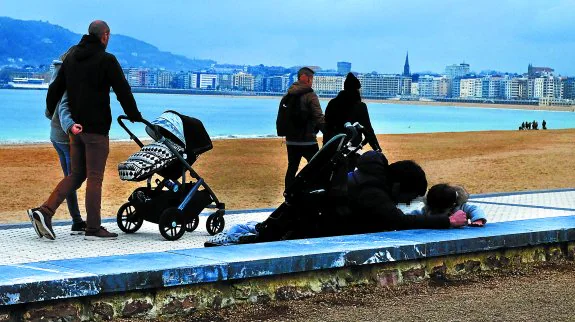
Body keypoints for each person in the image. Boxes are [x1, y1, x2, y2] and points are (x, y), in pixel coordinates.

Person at [27, 20, 142, 241]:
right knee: (95, 178)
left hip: (75, 131)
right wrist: (134, 115)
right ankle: (93, 228)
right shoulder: (107, 60)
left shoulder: (71, 58)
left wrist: (51, 111)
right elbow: (122, 91)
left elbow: (56, 88)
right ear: (105, 36)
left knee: (76, 175)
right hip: (96, 131)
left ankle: (45, 211)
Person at [343, 151, 468, 234]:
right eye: (409, 198)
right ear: (397, 187)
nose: (408, 203)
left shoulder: (368, 178)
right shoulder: (372, 191)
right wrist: (448, 221)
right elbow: (400, 221)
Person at [36, 50, 87, 236]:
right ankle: (44, 211)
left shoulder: (56, 78)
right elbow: (65, 108)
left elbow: (48, 111)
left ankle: (76, 221)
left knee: (70, 177)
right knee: (75, 177)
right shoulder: (69, 79)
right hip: (66, 137)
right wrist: (71, 127)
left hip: (55, 135)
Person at [281, 67, 325, 189]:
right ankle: (313, 191)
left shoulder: (288, 94)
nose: (312, 82)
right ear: (306, 78)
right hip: (308, 139)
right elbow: (319, 118)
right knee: (317, 166)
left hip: (291, 139)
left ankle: (288, 194)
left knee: (292, 168)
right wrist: (328, 131)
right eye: (311, 79)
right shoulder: (311, 95)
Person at [323, 72, 381, 153]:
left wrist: (325, 146)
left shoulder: (332, 103)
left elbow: (327, 127)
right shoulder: (360, 106)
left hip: (333, 146)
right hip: (352, 147)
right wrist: (377, 149)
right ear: (356, 90)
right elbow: (368, 129)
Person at [408, 183, 486, 227]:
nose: (438, 212)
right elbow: (413, 216)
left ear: (453, 205)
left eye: (442, 210)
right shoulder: (427, 210)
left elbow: (474, 209)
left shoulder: (461, 207)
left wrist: (478, 219)